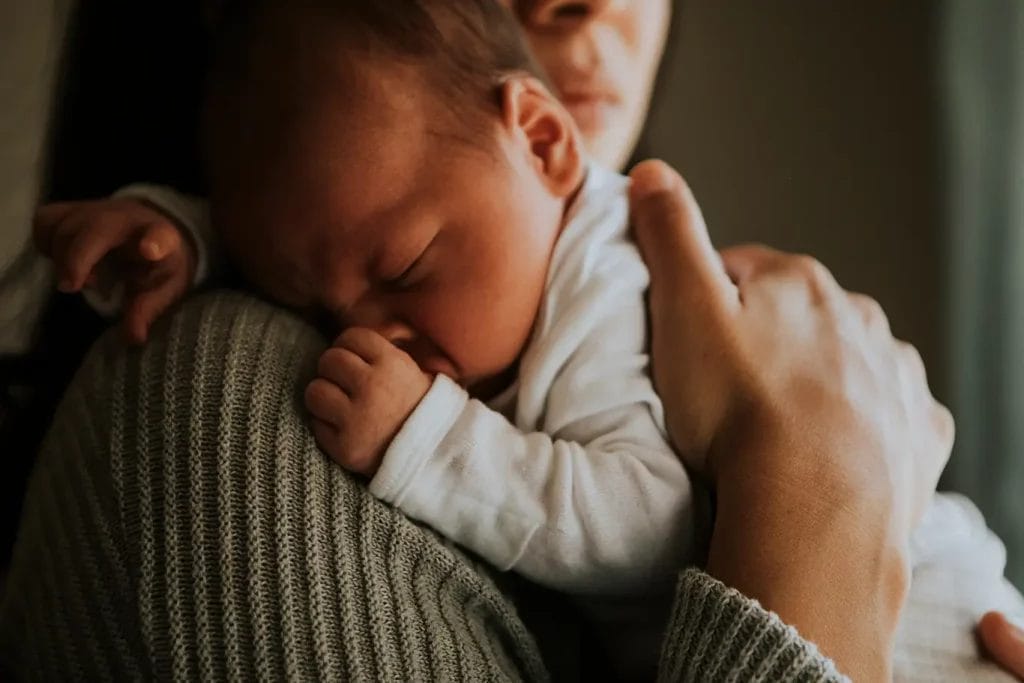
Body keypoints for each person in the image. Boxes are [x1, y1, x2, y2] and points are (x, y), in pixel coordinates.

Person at [2, 0, 1023, 680]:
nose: (368, 337)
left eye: (402, 274)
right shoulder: (220, 396)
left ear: (538, 138)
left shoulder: (601, 289)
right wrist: (179, 230)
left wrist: (431, 443)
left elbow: (641, 520)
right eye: (316, 309)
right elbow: (330, 222)